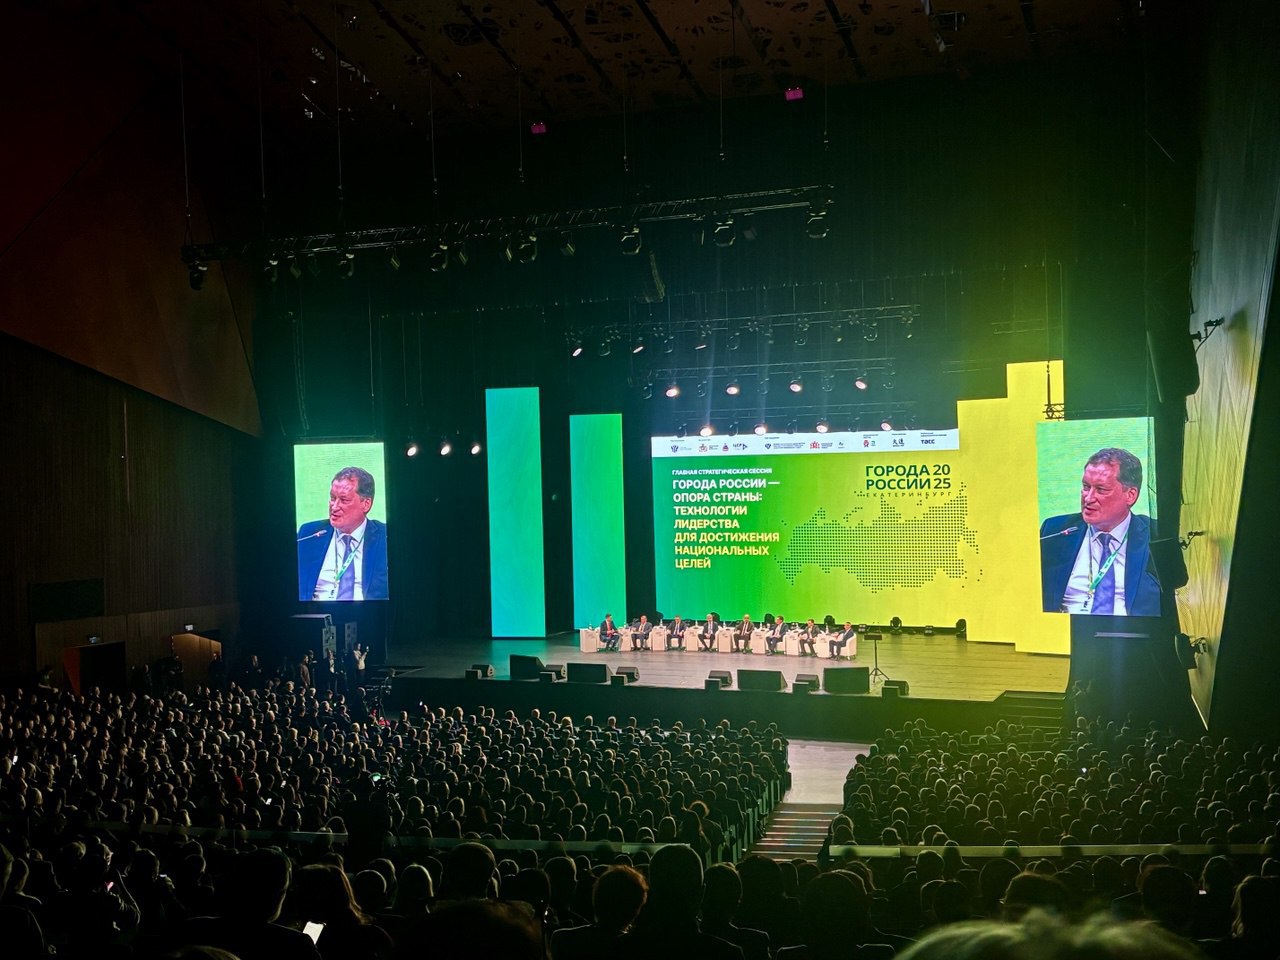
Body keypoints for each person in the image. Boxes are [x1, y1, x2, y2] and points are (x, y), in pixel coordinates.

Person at [1040, 447, 1161, 616]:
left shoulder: (1156, 535)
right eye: (1086, 487)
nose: (1088, 498)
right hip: (1067, 629)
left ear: (1130, 495)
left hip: (1131, 630)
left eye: (1101, 490)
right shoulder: (1055, 532)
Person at [297, 466, 389, 601]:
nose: (334, 507)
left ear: (366, 504)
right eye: (332, 498)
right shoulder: (309, 534)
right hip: (317, 612)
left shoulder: (385, 537)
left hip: (367, 612)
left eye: (344, 500)